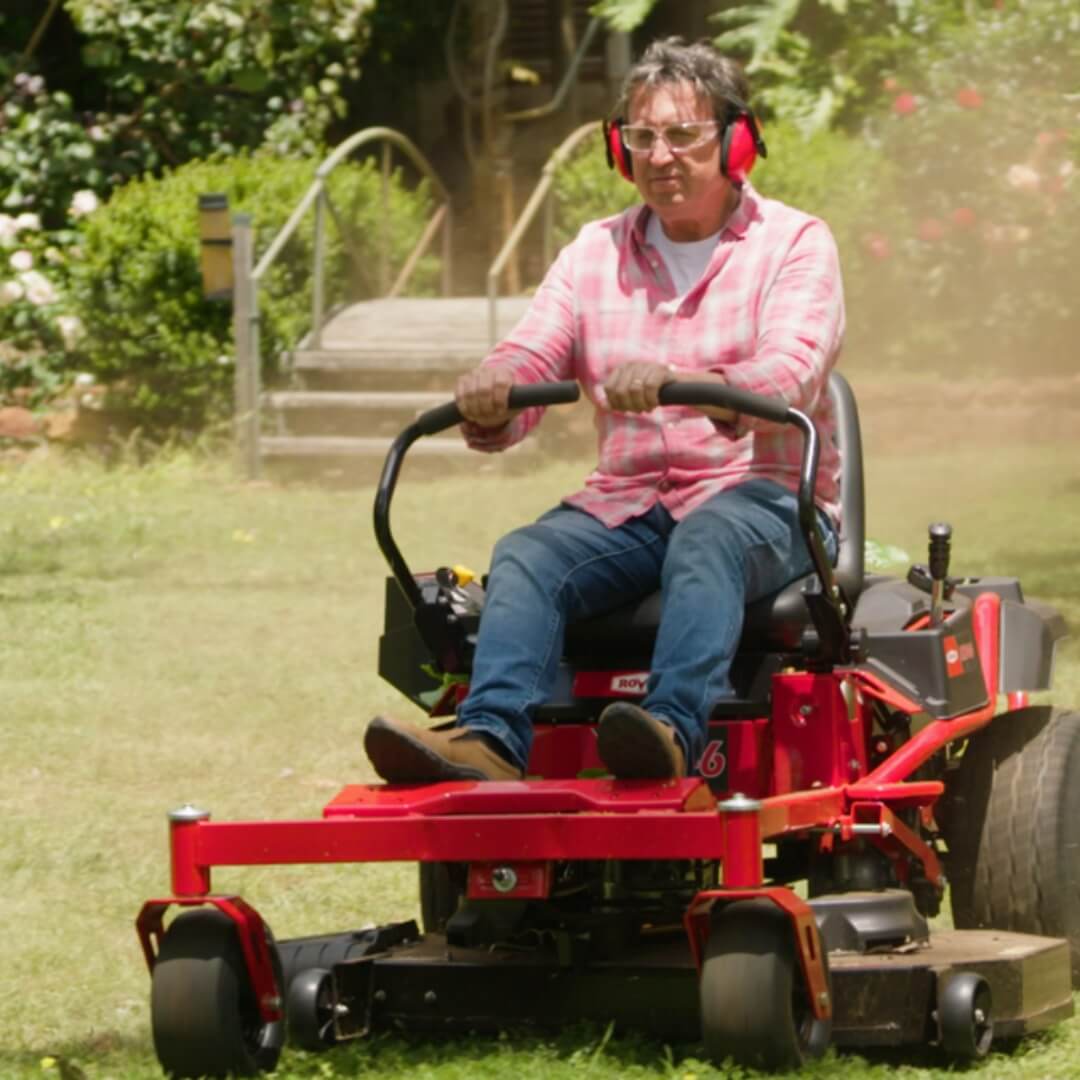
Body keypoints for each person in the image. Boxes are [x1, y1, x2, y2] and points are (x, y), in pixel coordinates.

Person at [365, 37, 844, 783]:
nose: (662, 155)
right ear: (621, 151)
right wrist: (492, 388)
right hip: (633, 505)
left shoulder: (795, 244)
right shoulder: (592, 252)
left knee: (708, 540)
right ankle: (490, 740)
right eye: (643, 137)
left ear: (735, 140)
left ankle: (670, 731)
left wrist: (692, 379)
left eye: (684, 134)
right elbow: (534, 351)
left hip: (765, 500)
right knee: (525, 554)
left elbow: (793, 368)